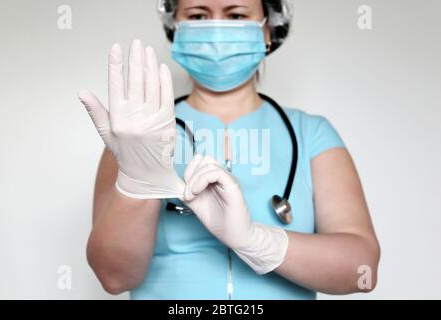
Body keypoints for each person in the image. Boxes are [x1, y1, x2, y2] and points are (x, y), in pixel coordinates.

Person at [78, 0, 380, 299]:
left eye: (236, 14)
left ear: (268, 28)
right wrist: (138, 182)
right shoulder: (135, 137)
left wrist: (255, 241)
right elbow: (114, 277)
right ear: (175, 27)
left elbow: (362, 270)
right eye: (198, 15)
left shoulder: (312, 134)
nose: (217, 30)